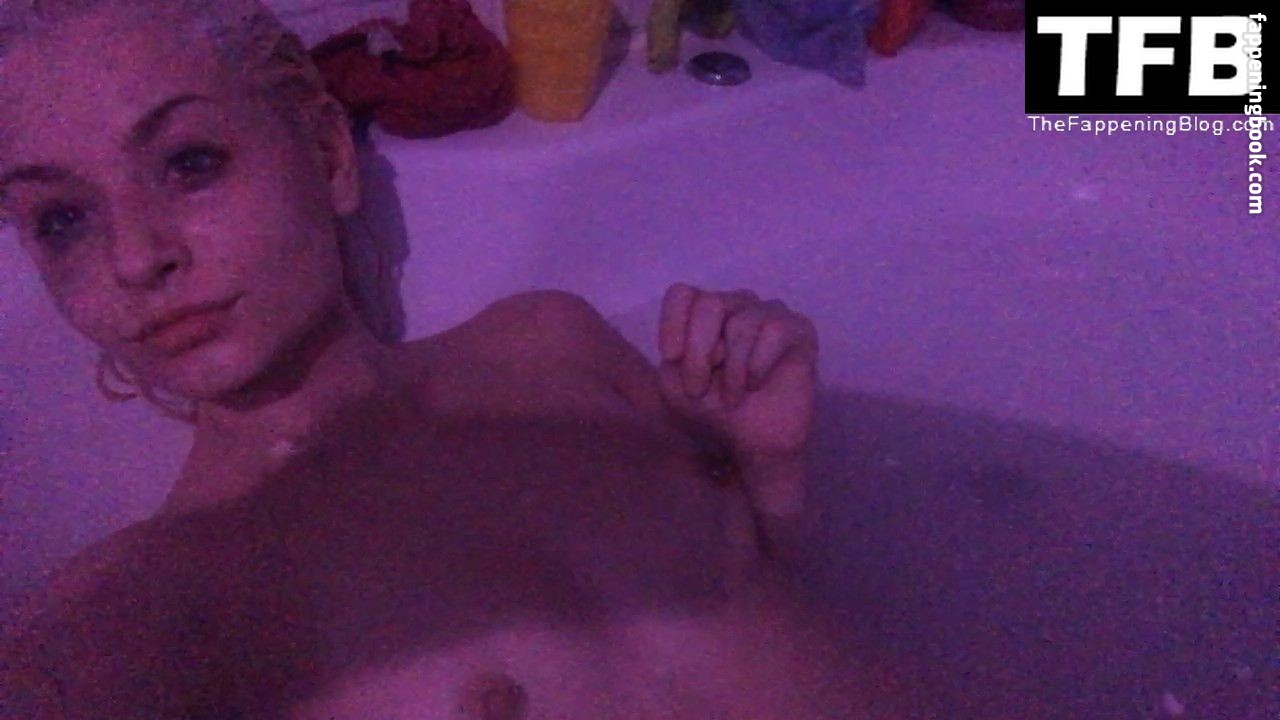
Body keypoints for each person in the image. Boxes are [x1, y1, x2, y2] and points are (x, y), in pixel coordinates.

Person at [0, 1, 900, 718]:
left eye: (190, 162)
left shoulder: (551, 341)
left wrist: (767, 469)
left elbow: (770, 611)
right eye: (62, 219)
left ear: (328, 155)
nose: (135, 257)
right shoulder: (140, 612)